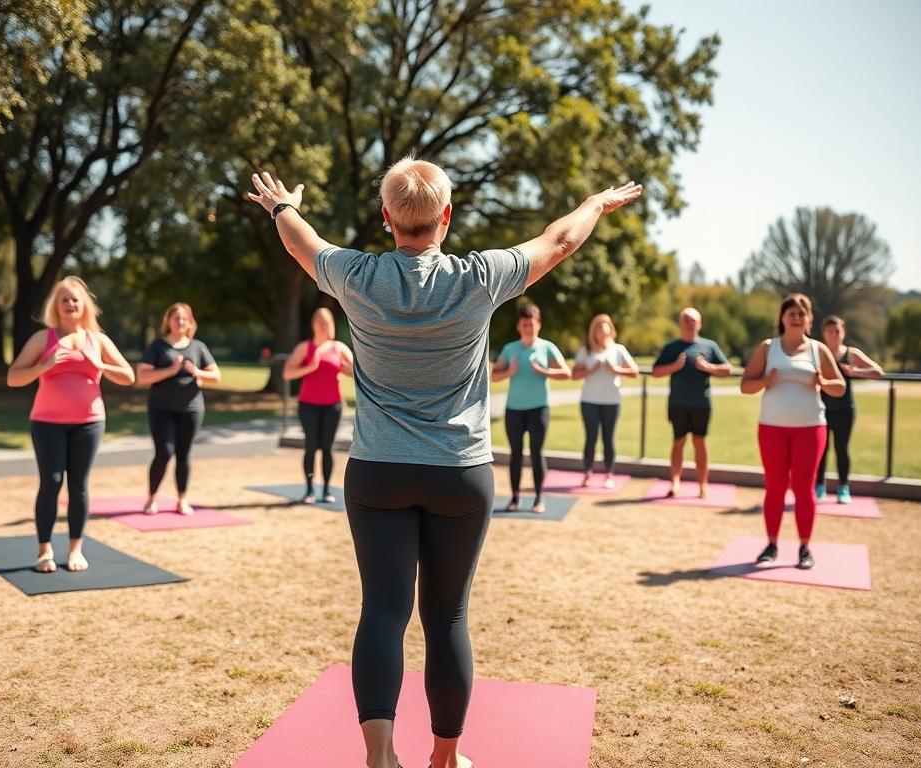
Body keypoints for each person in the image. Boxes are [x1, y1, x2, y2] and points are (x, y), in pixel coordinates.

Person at [246, 160, 641, 768]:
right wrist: (594, 202)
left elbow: (303, 241)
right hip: (460, 473)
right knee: (447, 614)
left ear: (386, 219)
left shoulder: (355, 275)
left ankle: (380, 755)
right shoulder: (480, 277)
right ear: (446, 218)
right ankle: (445, 758)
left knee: (382, 607)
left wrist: (281, 206)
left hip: (378, 470)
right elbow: (559, 239)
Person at [7, 276, 135, 572]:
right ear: (57, 305)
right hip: (47, 422)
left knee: (78, 485)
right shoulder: (44, 338)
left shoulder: (97, 340)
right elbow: (14, 378)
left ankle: (76, 549)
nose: (70, 304)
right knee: (51, 482)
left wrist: (99, 364)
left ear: (84, 305)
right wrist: (44, 366)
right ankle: (44, 550)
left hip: (89, 423)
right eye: (64, 299)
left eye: (75, 299)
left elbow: (128, 376)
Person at [740, 293, 845, 569]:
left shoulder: (817, 350)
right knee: (775, 488)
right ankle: (772, 544)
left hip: (810, 429)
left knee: (803, 489)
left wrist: (822, 381)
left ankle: (805, 548)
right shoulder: (768, 348)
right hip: (772, 428)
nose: (796, 317)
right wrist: (765, 380)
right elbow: (745, 385)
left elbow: (840, 387)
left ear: (809, 319)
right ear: (782, 318)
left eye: (802, 313)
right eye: (791, 313)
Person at [136, 302, 220, 515]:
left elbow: (216, 376)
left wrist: (198, 373)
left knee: (184, 455)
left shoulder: (198, 347)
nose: (180, 322)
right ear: (168, 322)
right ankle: (151, 498)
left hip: (191, 409)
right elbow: (142, 377)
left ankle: (182, 499)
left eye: (184, 318)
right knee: (164, 452)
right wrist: (171, 370)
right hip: (161, 408)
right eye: (176, 318)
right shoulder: (157, 347)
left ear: (190, 322)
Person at [490, 304, 570, 513]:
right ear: (518, 326)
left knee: (536, 453)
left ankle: (538, 499)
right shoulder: (510, 349)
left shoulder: (547, 348)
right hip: (514, 410)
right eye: (524, 324)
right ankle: (515, 498)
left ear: (538, 325)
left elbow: (566, 373)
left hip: (539, 409)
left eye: (531, 324)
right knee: (515, 453)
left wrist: (544, 371)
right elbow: (492, 376)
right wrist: (510, 371)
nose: (528, 327)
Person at [651, 308, 732, 497]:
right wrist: (674, 366)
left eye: (693, 320)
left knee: (699, 442)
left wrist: (709, 367)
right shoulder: (671, 348)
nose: (689, 323)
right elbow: (656, 371)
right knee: (678, 442)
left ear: (700, 323)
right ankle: (675, 482)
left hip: (701, 404)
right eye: (685, 320)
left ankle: (703, 485)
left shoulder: (709, 346)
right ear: (680, 324)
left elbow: (727, 369)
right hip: (678, 403)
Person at [283, 307, 354, 503]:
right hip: (308, 404)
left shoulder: (338, 348)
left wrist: (347, 369)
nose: (324, 325)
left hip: (332, 405)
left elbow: (357, 373)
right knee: (311, 445)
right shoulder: (305, 348)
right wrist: (309, 367)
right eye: (320, 321)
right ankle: (309, 490)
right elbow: (287, 374)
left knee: (327, 447)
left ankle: (326, 490)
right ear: (314, 324)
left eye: (327, 322)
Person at [815, 315, 883, 503]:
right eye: (830, 331)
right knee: (821, 449)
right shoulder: (819, 353)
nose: (834, 335)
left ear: (843, 332)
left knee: (841, 449)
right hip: (821, 409)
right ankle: (819, 486)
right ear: (824, 333)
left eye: (837, 331)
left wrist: (855, 372)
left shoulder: (850, 354)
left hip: (845, 410)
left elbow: (878, 371)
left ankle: (843, 488)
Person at [570, 313, 639, 488]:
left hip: (612, 401)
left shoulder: (618, 350)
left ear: (610, 329)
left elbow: (634, 372)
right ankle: (587, 474)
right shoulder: (586, 350)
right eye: (598, 326)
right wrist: (590, 371)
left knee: (608, 439)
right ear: (593, 330)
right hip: (589, 401)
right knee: (591, 438)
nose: (601, 329)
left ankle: (609, 475)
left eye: (604, 325)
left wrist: (615, 369)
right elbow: (574, 374)